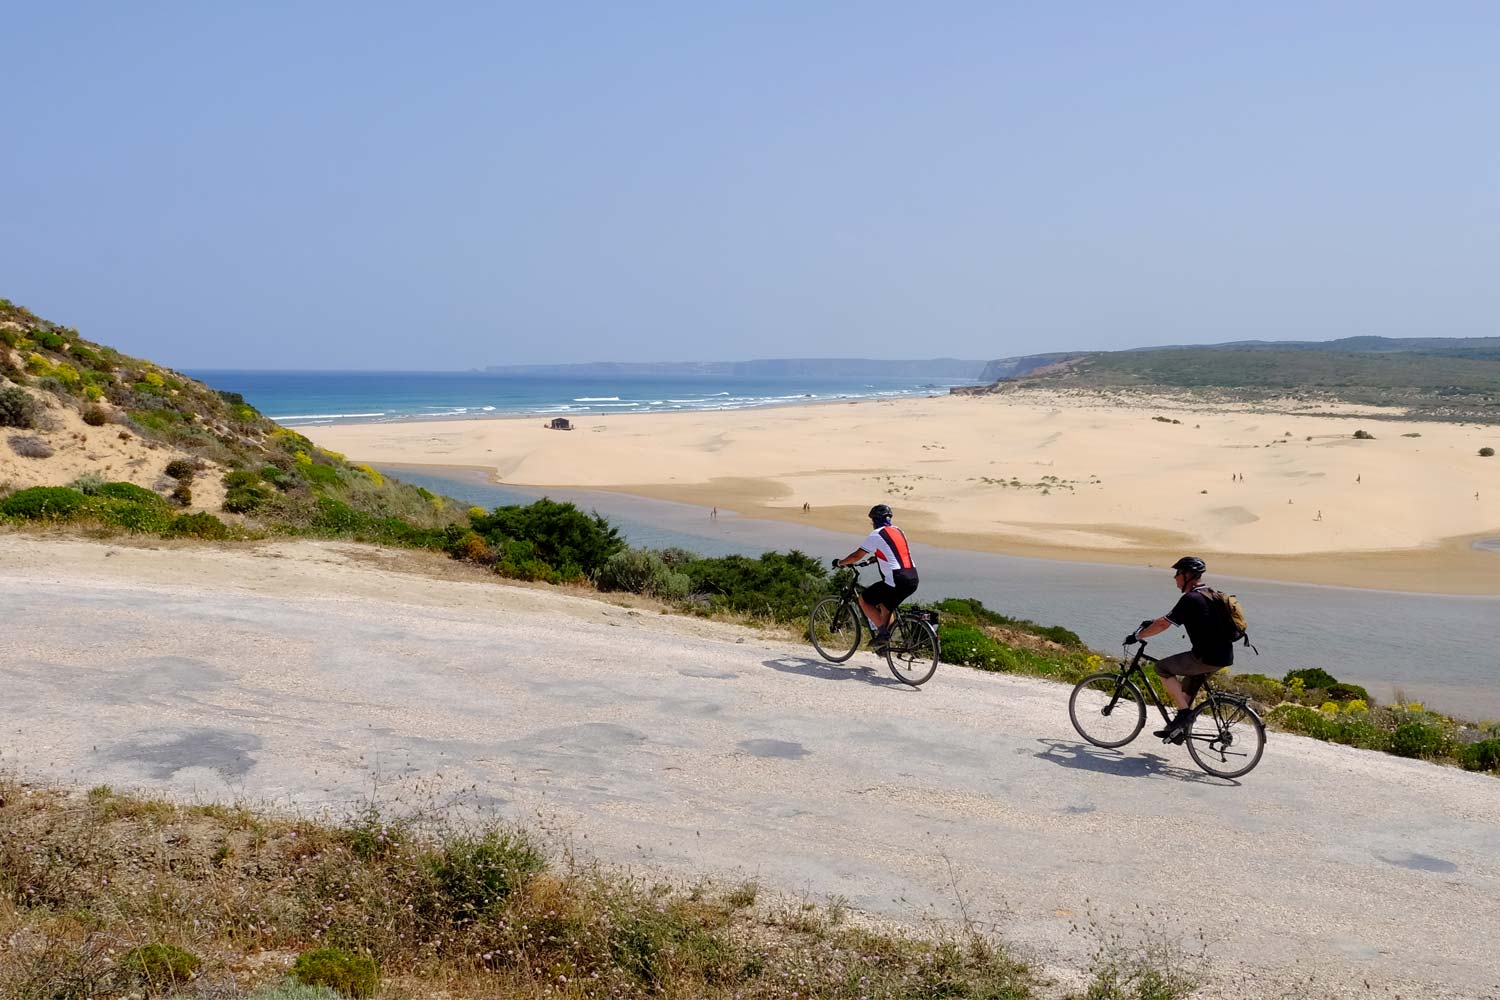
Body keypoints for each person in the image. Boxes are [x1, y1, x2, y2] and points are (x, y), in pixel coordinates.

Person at [1126, 556, 1233, 743]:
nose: (1175, 578)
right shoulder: (1209, 594)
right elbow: (1168, 618)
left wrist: (1138, 636)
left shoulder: (1190, 599)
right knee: (1186, 688)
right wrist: (1151, 622)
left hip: (1204, 657)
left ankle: (1184, 714)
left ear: (1188, 575)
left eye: (1178, 574)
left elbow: (1164, 625)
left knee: (1162, 668)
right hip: (1223, 656)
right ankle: (1177, 731)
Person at [832, 504, 919, 650]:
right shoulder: (898, 531)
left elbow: (856, 556)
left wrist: (840, 563)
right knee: (886, 607)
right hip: (912, 578)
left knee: (864, 600)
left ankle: (883, 635)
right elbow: (894, 553)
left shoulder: (876, 534)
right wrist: (875, 559)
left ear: (875, 520)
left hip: (896, 579)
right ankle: (886, 646)